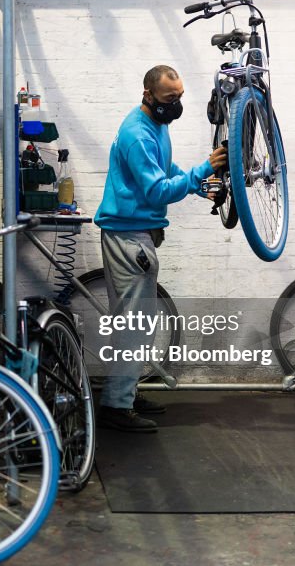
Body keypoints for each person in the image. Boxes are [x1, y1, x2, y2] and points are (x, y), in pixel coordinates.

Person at [93, 65, 227, 433]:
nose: (177, 104)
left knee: (138, 323)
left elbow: (166, 169)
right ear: (148, 94)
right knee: (136, 326)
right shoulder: (137, 134)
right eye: (170, 99)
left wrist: (202, 186)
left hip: (137, 234)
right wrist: (202, 170)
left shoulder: (157, 125)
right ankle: (116, 408)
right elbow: (156, 191)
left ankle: (126, 392)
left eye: (181, 97)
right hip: (128, 238)